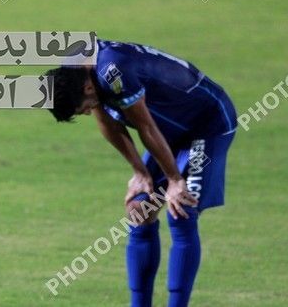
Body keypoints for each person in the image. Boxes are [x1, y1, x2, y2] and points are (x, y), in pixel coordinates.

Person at [47, 39, 237, 307]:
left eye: (84, 107)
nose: (88, 112)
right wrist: (139, 172)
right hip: (168, 131)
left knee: (181, 210)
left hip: (207, 123)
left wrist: (174, 180)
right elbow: (107, 123)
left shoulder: (113, 70)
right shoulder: (77, 68)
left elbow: (144, 125)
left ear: (88, 88)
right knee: (139, 210)